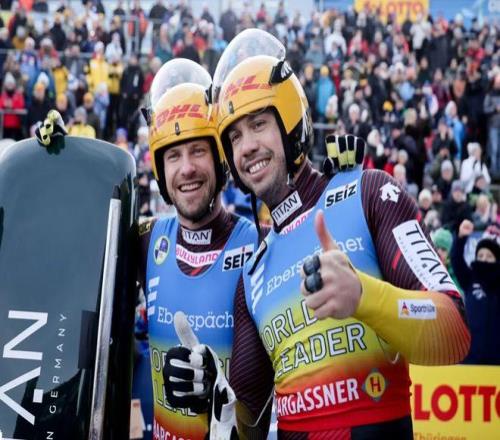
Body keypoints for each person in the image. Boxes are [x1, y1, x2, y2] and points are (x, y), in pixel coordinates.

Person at [168, 29, 471, 439]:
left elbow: (454, 328)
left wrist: (364, 297)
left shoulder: (368, 193)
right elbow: (248, 426)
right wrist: (212, 396)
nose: (247, 146)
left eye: (258, 124)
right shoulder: (252, 274)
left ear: (291, 122)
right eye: (234, 136)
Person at [451, 220, 500, 365]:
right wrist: (461, 238)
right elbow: (456, 260)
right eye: (481, 256)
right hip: (470, 356)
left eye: (489, 256)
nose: (484, 259)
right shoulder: (470, 278)